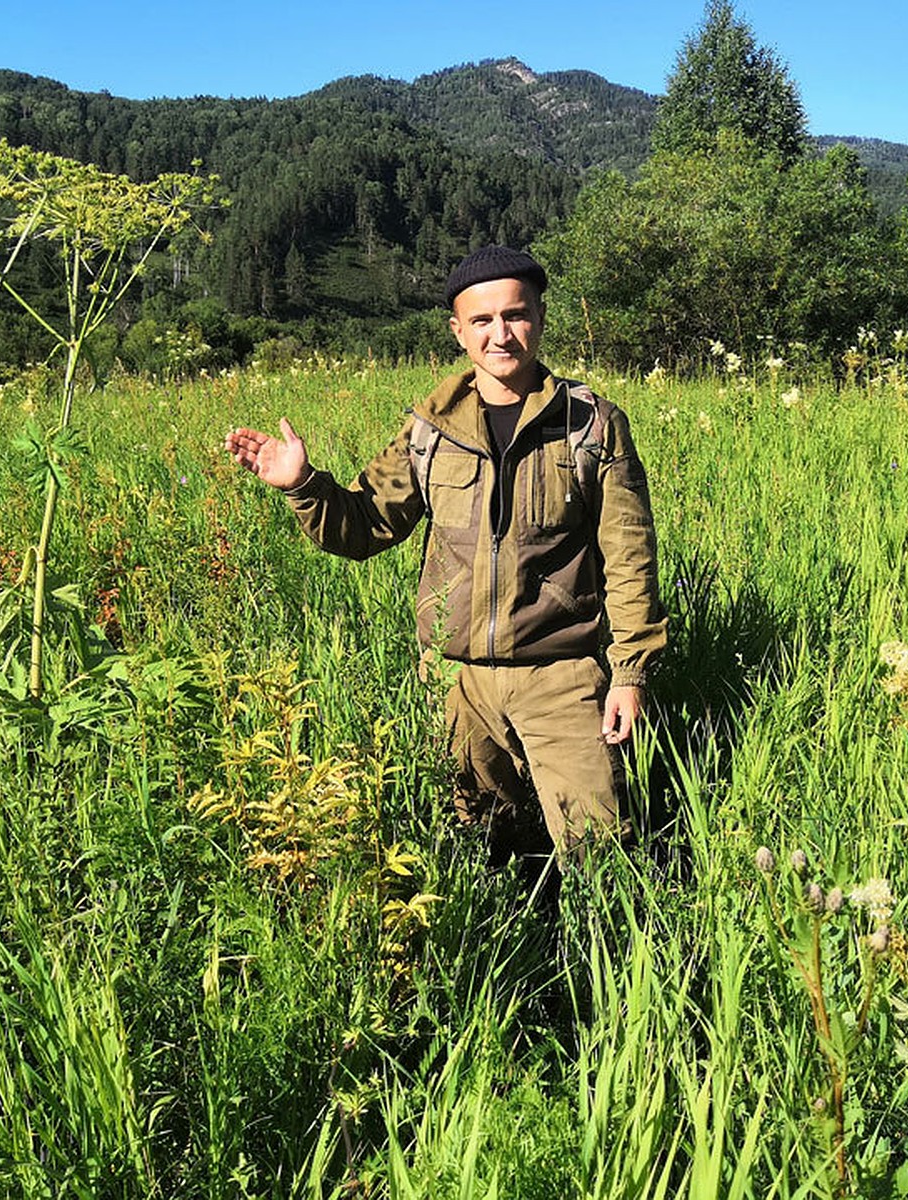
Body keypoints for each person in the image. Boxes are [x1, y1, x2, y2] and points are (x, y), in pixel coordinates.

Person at [224, 245, 667, 887]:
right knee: (482, 850)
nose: (500, 334)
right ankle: (513, 942)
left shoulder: (591, 425)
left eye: (515, 315)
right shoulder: (430, 430)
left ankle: (607, 950)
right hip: (456, 681)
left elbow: (630, 560)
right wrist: (303, 485)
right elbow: (366, 524)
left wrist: (629, 672)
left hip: (562, 675)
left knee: (600, 855)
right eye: (481, 320)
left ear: (540, 318)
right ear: (458, 331)